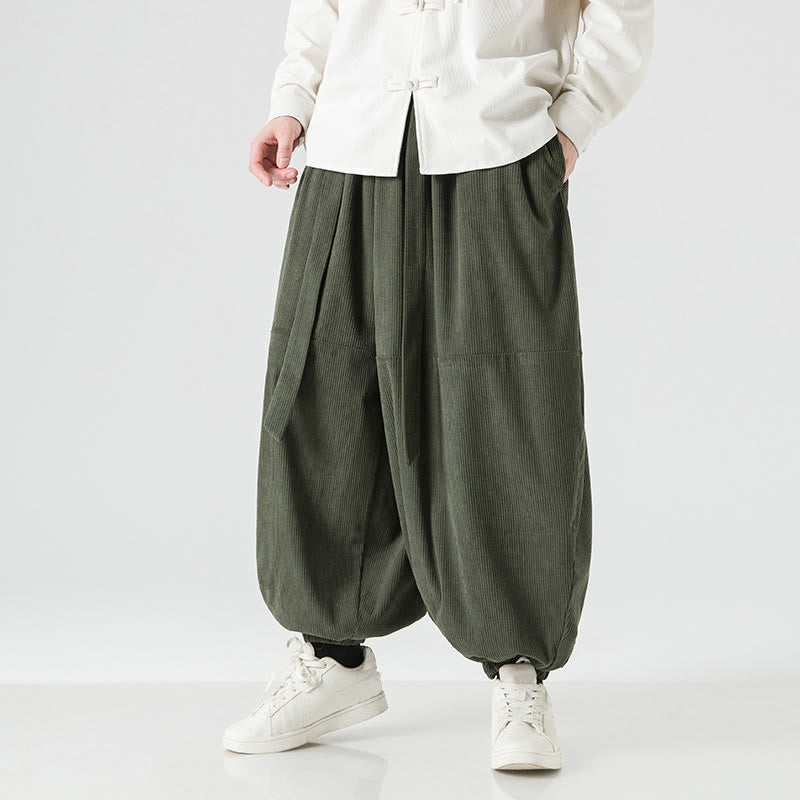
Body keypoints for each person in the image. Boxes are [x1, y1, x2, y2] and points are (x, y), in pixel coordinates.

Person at [224, 0, 654, 771]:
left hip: (496, 144)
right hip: (350, 144)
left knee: (508, 409)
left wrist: (572, 126)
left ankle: (519, 674)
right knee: (324, 395)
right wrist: (294, 100)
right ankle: (331, 658)